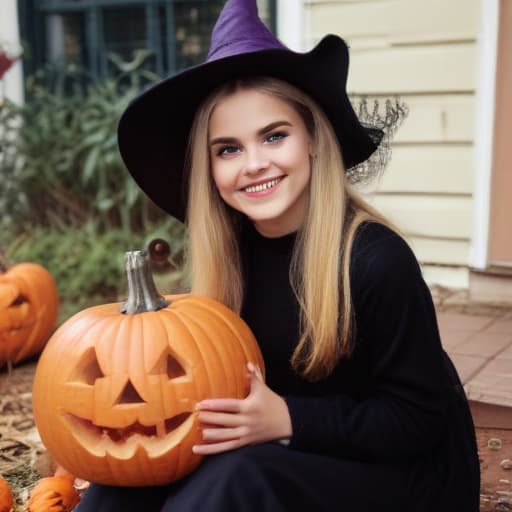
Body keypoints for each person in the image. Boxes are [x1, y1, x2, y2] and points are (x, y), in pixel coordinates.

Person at [74, 0, 480, 510]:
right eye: (228, 149)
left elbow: (417, 420)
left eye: (274, 136)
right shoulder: (231, 258)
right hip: (286, 451)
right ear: (209, 169)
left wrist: (289, 419)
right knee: (124, 480)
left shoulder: (374, 260)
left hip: (404, 477)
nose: (254, 164)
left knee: (234, 478)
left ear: (312, 137)